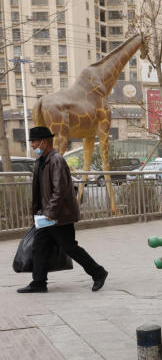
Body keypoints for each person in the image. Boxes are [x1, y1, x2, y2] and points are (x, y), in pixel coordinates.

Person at [17, 126, 108, 294]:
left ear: (44, 142)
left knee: (69, 248)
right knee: (39, 247)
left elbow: (60, 190)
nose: (31, 145)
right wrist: (39, 213)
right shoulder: (41, 161)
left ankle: (98, 272)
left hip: (59, 215)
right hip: (46, 215)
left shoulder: (56, 160)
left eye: (34, 142)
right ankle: (38, 282)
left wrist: (49, 214)